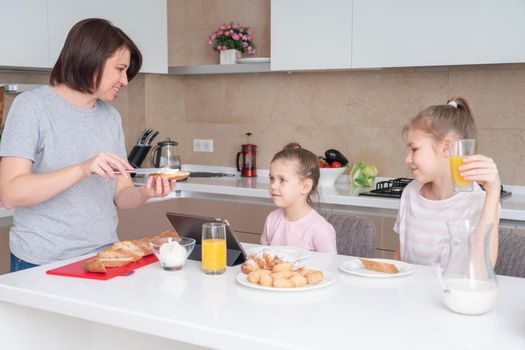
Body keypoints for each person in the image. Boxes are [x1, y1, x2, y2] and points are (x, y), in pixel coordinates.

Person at [0, 18, 176, 272]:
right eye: (119, 68)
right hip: (42, 260)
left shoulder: (110, 115)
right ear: (90, 58)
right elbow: (10, 193)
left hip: (104, 256)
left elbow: (121, 194)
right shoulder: (31, 107)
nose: (125, 80)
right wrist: (83, 169)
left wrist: (146, 192)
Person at [393, 97, 500, 266]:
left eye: (414, 149)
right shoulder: (410, 193)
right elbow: (400, 257)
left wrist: (493, 192)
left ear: (446, 147)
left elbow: (484, 268)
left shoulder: (479, 202)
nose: (407, 159)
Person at [261, 143, 337, 253]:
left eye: (282, 180)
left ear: (305, 186)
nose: (273, 185)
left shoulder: (320, 229)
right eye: (272, 178)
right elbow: (263, 257)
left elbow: (329, 267)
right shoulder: (271, 219)